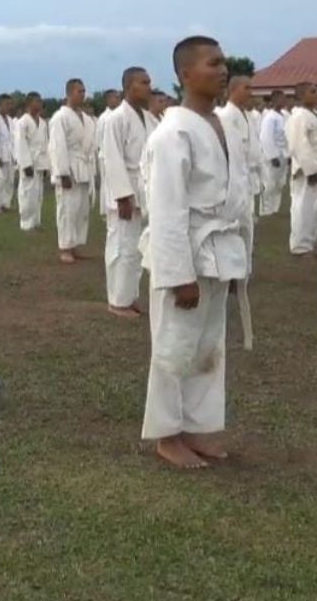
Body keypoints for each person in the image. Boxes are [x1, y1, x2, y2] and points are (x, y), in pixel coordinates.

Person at [140, 36, 251, 469]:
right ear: (186, 74)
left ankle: (197, 426)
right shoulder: (173, 132)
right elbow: (167, 209)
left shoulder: (222, 125)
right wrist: (177, 274)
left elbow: (236, 196)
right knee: (174, 345)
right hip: (185, 250)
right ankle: (167, 434)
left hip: (218, 248)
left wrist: (241, 256)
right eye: (213, 63)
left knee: (208, 345)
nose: (222, 70)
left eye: (224, 62)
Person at [100, 67, 152, 319]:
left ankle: (130, 296)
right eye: (144, 82)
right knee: (121, 245)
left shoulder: (148, 117)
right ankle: (117, 301)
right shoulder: (116, 118)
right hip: (124, 189)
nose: (149, 86)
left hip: (143, 186)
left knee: (136, 248)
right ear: (129, 86)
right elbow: (112, 158)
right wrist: (122, 195)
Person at [50, 78, 97, 264]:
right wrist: (63, 173)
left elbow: (91, 144)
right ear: (69, 93)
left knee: (81, 209)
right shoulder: (59, 117)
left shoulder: (86, 118)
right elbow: (57, 147)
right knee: (67, 209)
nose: (83, 94)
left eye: (84, 91)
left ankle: (75, 244)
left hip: (84, 166)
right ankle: (65, 248)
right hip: (69, 166)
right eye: (79, 91)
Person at [285, 82, 317, 255]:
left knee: (314, 208)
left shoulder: (315, 114)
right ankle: (300, 245)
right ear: (301, 95)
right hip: (306, 170)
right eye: (312, 92)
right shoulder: (299, 116)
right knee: (303, 207)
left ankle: (310, 242)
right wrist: (311, 169)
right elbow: (298, 145)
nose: (316, 95)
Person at [215, 77, 261, 219]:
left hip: (249, 172)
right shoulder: (225, 115)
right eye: (246, 88)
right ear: (233, 90)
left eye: (251, 88)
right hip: (234, 174)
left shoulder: (248, 115)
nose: (250, 92)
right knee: (236, 219)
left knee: (248, 219)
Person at [14, 92, 49, 231]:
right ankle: (26, 223)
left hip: (40, 160)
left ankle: (36, 221)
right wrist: (25, 164)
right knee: (27, 193)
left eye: (40, 101)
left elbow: (46, 143)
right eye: (36, 101)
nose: (39, 104)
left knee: (38, 194)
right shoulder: (22, 122)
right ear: (29, 104)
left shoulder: (43, 122)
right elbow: (20, 143)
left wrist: (47, 164)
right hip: (28, 161)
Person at [258, 91, 289, 216]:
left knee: (280, 184)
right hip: (273, 155)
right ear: (274, 101)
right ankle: (265, 209)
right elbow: (266, 137)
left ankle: (275, 208)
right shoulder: (270, 117)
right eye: (281, 99)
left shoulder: (283, 116)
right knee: (270, 184)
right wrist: (272, 156)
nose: (283, 101)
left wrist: (288, 154)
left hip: (283, 153)